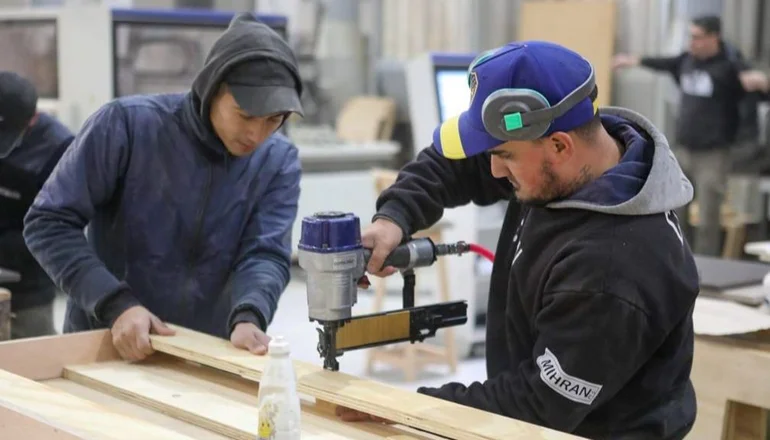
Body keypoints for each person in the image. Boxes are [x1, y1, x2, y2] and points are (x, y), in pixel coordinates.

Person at [341, 41, 701, 439]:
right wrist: (394, 217)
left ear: (560, 145)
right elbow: (456, 165)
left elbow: (535, 405)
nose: (494, 169)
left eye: (504, 156)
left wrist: (407, 408)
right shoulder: (574, 158)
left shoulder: (612, 269)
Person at [23, 13, 303, 361]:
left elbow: (265, 253)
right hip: (106, 342)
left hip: (203, 353)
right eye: (245, 115)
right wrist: (114, 303)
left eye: (273, 120)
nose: (256, 134)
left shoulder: (277, 160)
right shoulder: (126, 126)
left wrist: (250, 313)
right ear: (211, 88)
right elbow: (48, 223)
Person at [613, 15, 770, 256]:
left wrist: (763, 84)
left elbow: (757, 89)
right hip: (684, 149)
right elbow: (663, 63)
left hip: (713, 154)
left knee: (708, 217)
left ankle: (705, 264)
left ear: (713, 38)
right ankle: (677, 259)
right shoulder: (686, 60)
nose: (691, 42)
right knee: (676, 210)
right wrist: (633, 60)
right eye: (691, 36)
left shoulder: (730, 66)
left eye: (697, 37)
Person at [0, 71, 74, 339]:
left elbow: (58, 230)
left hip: (29, 287)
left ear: (32, 118)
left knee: (31, 355)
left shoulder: (60, 150)